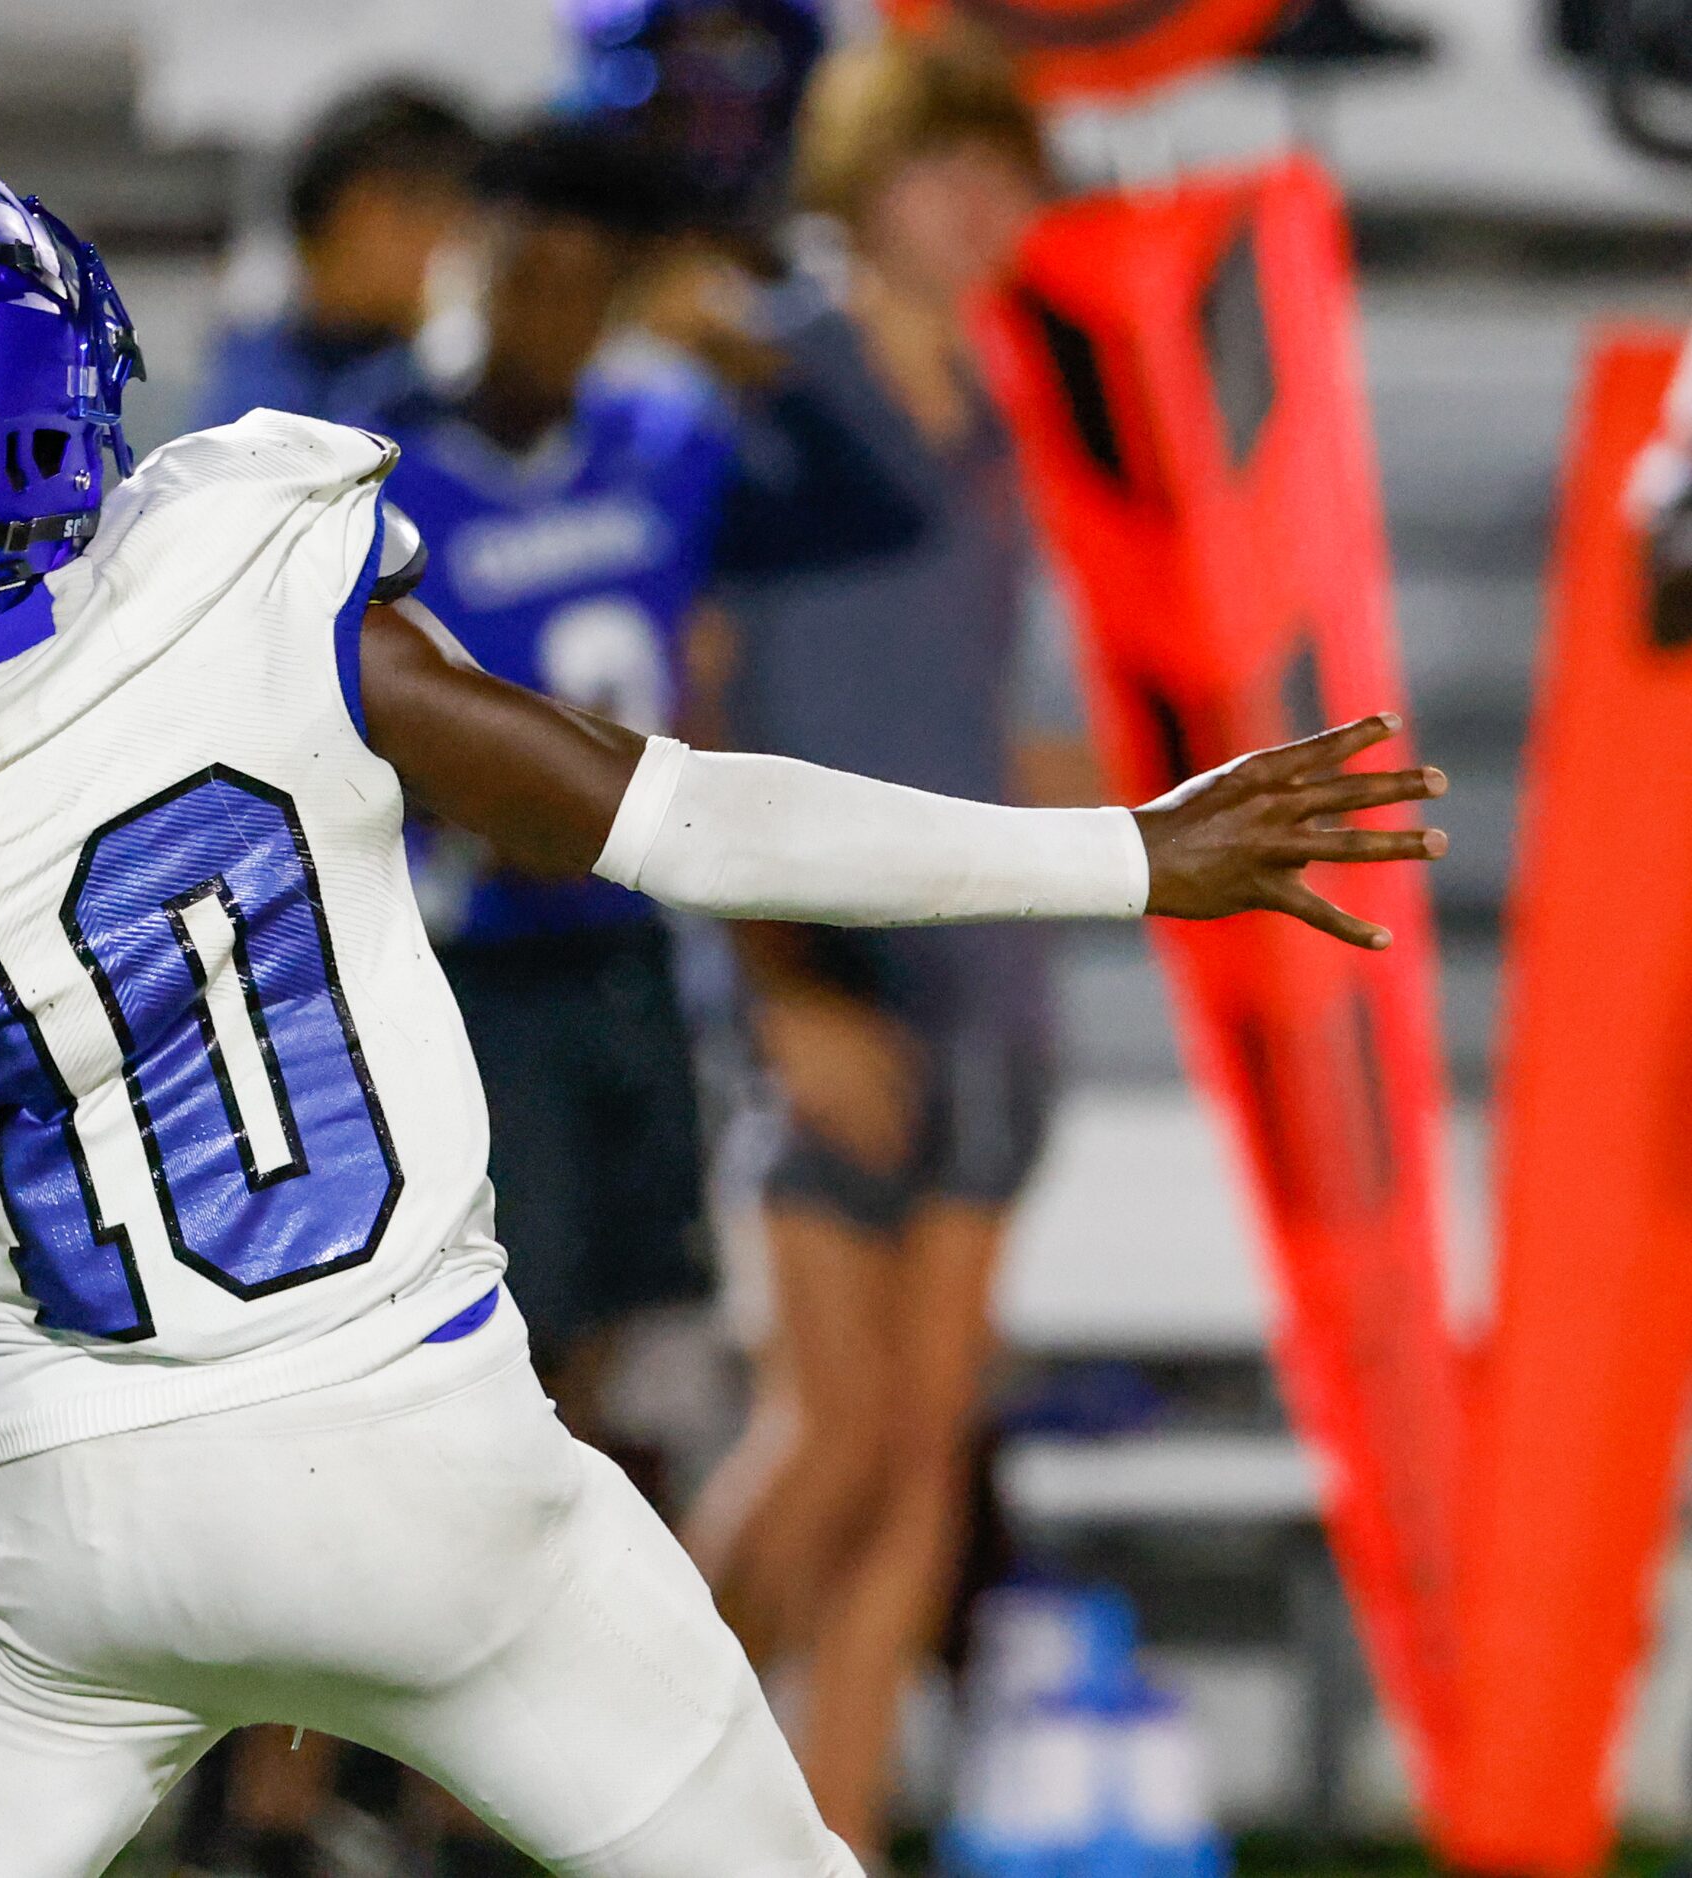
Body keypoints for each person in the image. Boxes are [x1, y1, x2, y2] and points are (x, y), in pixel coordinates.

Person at [0, 132, 1441, 1878]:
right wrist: (1131, 851)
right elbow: (671, 819)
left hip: (65, 1533)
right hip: (428, 1464)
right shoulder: (244, 565)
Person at [186, 122, 735, 1878]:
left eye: (588, 283)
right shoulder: (367, 457)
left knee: (557, 1403)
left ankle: (444, 1803)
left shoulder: (666, 436)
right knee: (393, 1402)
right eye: (529, 270)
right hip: (439, 966)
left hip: (615, 963)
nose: (552, 312)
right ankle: (276, 1806)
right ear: (475, 268)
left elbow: (734, 631)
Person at [644, 26, 1101, 1857]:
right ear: (857, 178)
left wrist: (1201, 787)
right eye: (943, 165)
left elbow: (983, 725)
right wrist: (773, 986)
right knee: (819, 1437)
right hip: (818, 966)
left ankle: (823, 1833)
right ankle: (594, 1794)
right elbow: (684, 719)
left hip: (987, 979)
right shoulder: (764, 379)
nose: (980, 203)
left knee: (920, 1451)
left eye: (1005, 171)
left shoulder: (997, 413)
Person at [190, 83, 483, 430]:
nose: (439, 237)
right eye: (415, 205)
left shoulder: (441, 400)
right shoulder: (247, 404)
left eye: (454, 211)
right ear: (328, 217)